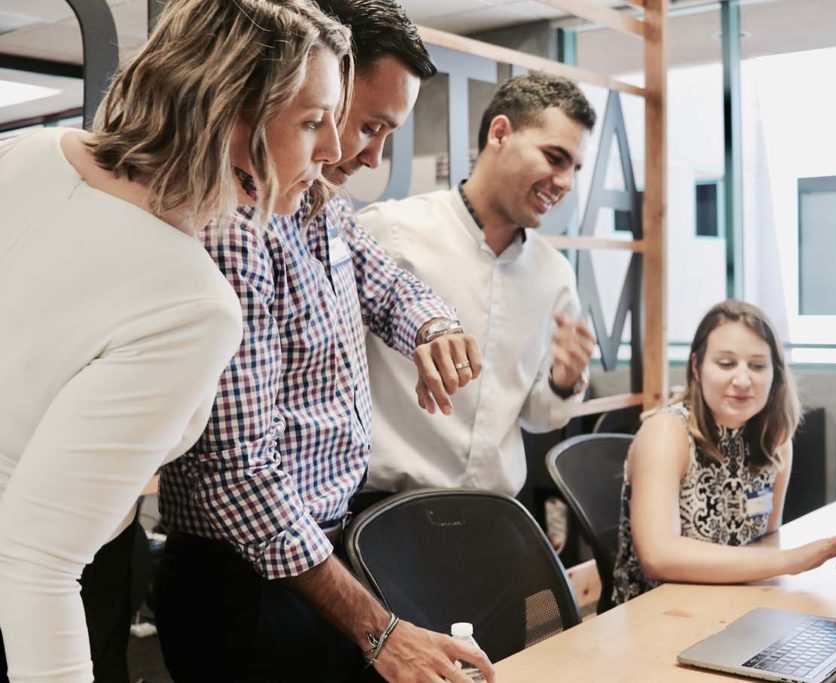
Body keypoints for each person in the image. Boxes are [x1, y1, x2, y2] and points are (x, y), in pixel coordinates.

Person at [0, 0, 354, 679]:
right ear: (230, 111)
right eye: (313, 122)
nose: (334, 152)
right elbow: (36, 562)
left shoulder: (30, 152)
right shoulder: (193, 303)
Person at [154, 2, 495, 681]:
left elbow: (392, 287)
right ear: (320, 87)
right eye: (362, 125)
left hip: (316, 556)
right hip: (247, 581)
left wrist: (434, 326)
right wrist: (380, 631)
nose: (362, 155)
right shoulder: (235, 228)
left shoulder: (321, 208)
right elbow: (241, 474)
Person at [355, 73, 598, 503]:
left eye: (575, 169)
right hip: (384, 507)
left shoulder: (554, 273)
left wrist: (564, 380)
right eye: (554, 157)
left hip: (495, 513)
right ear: (500, 133)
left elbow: (540, 415)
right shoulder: (389, 232)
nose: (566, 183)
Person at [611, 300, 836, 605]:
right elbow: (657, 556)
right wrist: (792, 561)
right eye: (726, 364)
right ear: (696, 367)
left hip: (734, 603)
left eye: (758, 366)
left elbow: (764, 542)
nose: (743, 380)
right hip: (655, 614)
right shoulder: (667, 431)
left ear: (775, 373)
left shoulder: (775, 440)